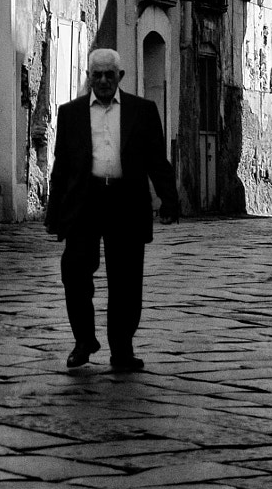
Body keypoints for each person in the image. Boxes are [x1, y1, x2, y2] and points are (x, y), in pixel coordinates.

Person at [44, 46, 179, 372]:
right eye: (96, 75)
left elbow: (156, 161)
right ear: (89, 78)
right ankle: (84, 340)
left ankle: (122, 350)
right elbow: (61, 167)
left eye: (109, 74)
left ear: (119, 76)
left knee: (126, 282)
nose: (103, 80)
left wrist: (169, 199)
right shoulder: (71, 114)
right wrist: (53, 213)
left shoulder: (142, 111)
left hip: (126, 202)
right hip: (84, 203)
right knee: (74, 273)